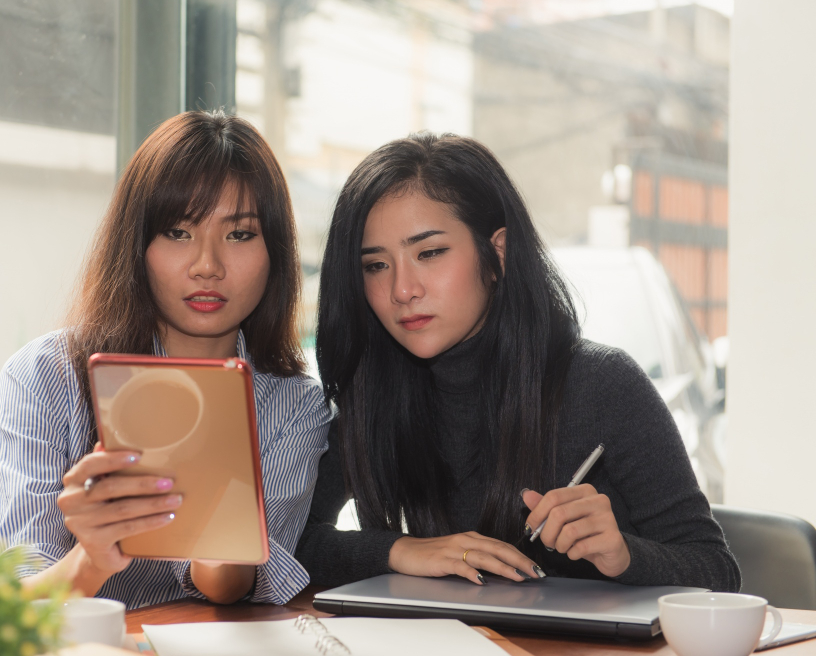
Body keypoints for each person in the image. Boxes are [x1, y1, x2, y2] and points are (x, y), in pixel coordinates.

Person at [296, 132, 739, 592]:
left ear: (497, 254)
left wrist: (625, 555)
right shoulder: (375, 391)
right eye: (376, 265)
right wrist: (399, 550)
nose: (402, 289)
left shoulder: (602, 385)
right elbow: (287, 545)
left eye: (429, 253)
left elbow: (718, 572)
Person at [0, 110, 333, 608]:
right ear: (137, 244)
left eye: (239, 234)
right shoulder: (46, 377)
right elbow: (13, 598)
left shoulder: (293, 404)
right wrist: (93, 557)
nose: (207, 266)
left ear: (275, 252)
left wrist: (219, 533)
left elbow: (239, 585)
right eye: (178, 232)